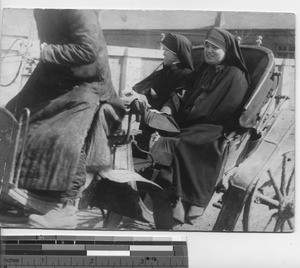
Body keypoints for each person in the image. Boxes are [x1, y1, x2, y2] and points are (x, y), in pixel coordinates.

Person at [5, 9, 126, 228]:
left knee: (62, 132)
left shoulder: (77, 7)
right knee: (11, 115)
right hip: (60, 79)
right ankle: (14, 189)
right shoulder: (42, 8)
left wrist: (43, 51)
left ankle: (65, 207)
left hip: (90, 84)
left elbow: (88, 50)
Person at [138, 27, 250, 224]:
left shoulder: (235, 75)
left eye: (215, 47)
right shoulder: (205, 70)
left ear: (227, 51)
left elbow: (221, 108)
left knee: (180, 141)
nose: (208, 50)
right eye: (207, 45)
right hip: (194, 122)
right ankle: (169, 196)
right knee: (163, 138)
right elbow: (186, 95)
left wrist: (185, 118)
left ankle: (189, 202)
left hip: (215, 126)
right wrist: (169, 110)